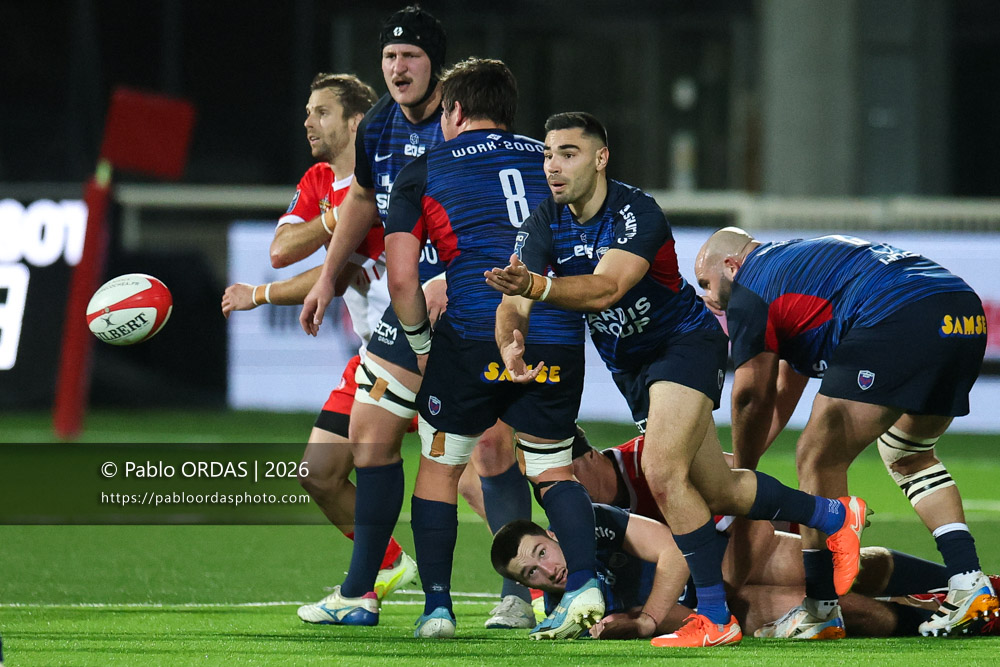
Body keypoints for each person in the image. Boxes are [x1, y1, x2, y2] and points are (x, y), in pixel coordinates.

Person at [485, 111, 870, 648]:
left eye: (568, 153)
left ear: (600, 159)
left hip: (684, 345)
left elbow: (604, 290)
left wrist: (537, 286)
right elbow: (513, 298)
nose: (554, 165)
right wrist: (511, 339)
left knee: (660, 469)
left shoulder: (635, 212)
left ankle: (715, 618)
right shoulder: (545, 220)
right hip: (634, 368)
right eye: (549, 154)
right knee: (719, 489)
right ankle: (833, 514)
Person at [296, 6, 533, 630]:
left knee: (489, 443)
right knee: (367, 441)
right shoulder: (378, 127)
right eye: (389, 57)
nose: (397, 68)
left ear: (437, 67)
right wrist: (327, 275)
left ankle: (522, 591)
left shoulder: (468, 125)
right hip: (406, 310)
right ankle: (364, 592)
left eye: (411, 58)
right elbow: (364, 200)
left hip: (470, 299)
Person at [384, 57, 601, 640]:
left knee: (439, 469)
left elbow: (402, 279)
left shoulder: (425, 168)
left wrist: (423, 345)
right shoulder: (555, 160)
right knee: (554, 470)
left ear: (453, 110)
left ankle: (437, 609)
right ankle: (582, 584)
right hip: (553, 333)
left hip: (473, 337)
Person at [694, 227, 1000, 638]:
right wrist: (744, 473)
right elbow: (786, 386)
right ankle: (968, 582)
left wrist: (740, 477)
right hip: (961, 311)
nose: (707, 297)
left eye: (706, 284)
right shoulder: (792, 270)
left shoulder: (751, 289)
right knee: (909, 456)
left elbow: (752, 394)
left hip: (900, 313)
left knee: (817, 457)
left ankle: (820, 611)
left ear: (732, 266)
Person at [220, 73, 419, 615]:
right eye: (308, 111)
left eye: (322, 112)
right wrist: (342, 220)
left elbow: (330, 271)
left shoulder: (398, 176)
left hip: (429, 347)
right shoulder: (317, 181)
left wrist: (258, 294)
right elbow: (284, 249)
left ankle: (545, 585)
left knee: (483, 470)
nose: (308, 121)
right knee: (319, 471)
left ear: (356, 121)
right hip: (374, 357)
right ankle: (385, 564)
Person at [491, 504, 999, 640]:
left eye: (539, 552)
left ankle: (969, 584)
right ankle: (964, 619)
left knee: (847, 570)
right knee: (840, 613)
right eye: (530, 574)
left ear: (553, 535)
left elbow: (671, 548)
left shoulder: (593, 522)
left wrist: (643, 619)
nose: (545, 571)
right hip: (719, 610)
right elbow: (680, 621)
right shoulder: (566, 614)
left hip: (722, 559)